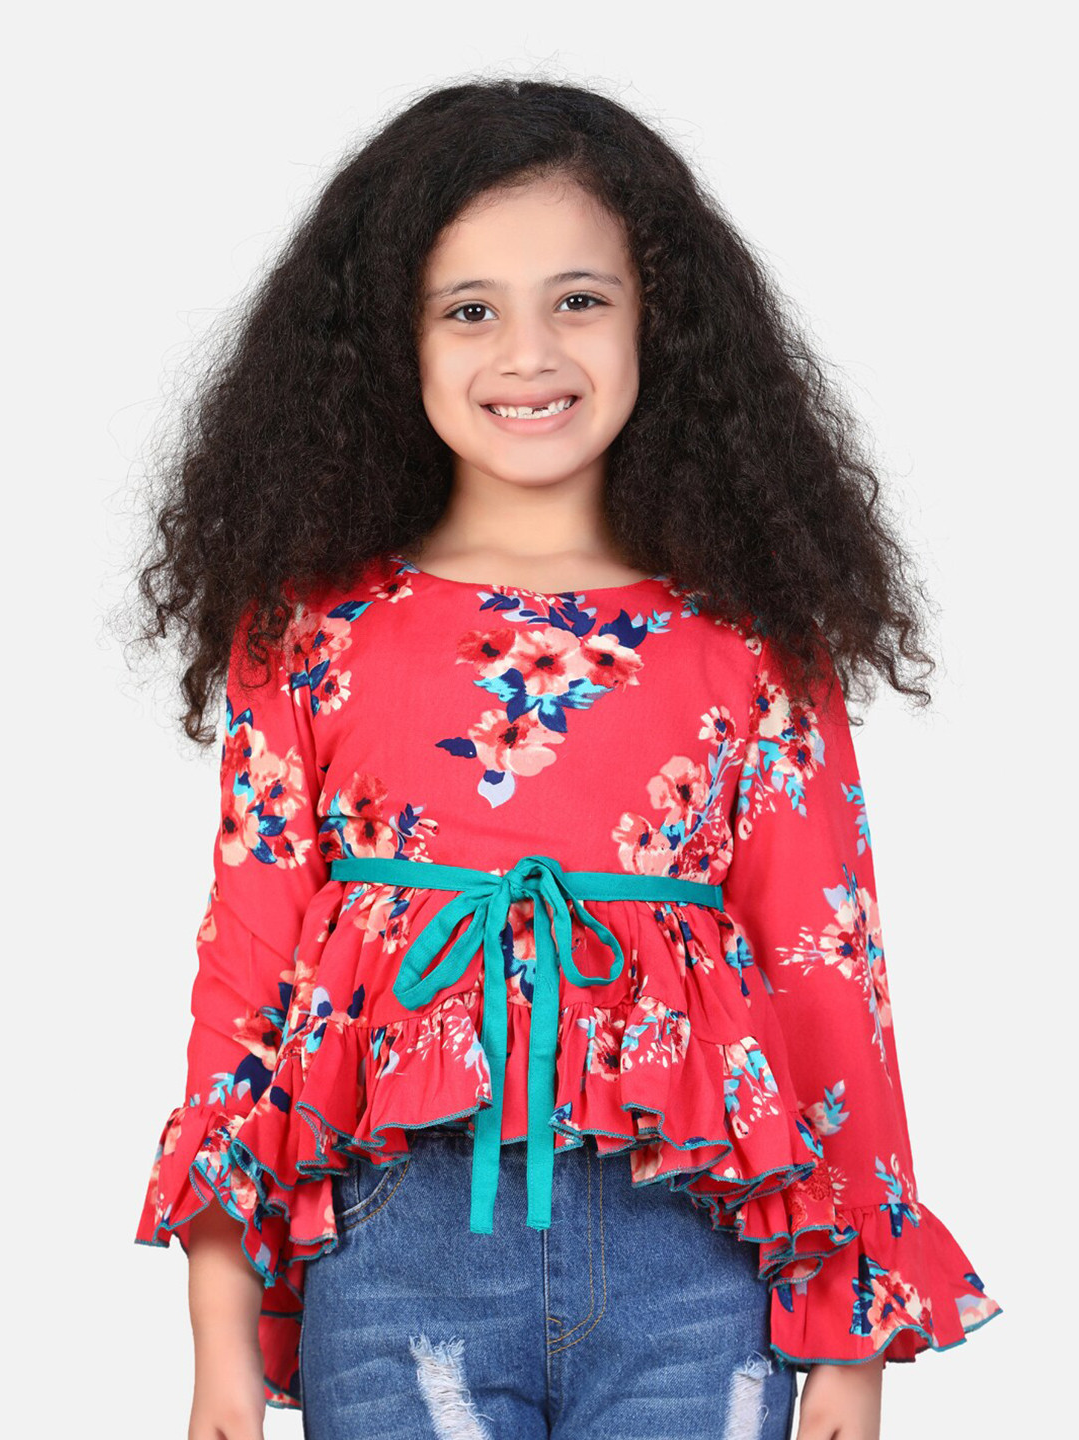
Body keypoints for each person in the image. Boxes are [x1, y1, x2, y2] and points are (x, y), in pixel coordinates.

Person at [129, 77, 1003, 1440]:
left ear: (663, 321)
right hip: (395, 1263)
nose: (528, 352)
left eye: (579, 299)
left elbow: (829, 977)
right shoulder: (308, 631)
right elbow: (247, 981)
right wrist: (218, 1331)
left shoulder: (752, 638)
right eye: (469, 309)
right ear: (391, 339)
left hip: (698, 1273)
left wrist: (856, 1338)